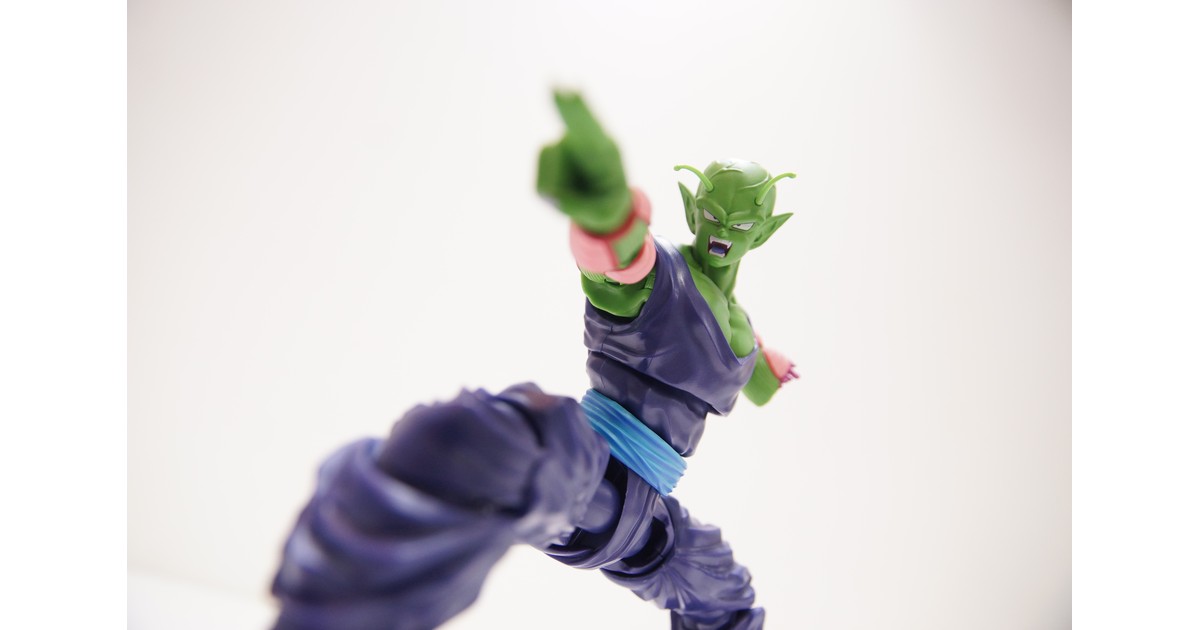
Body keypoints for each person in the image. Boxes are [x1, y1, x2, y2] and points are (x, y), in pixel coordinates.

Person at [271, 92, 798, 630]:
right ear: (690, 208)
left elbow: (755, 377)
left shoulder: (742, 332)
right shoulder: (662, 275)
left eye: (740, 224)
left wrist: (774, 365)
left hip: (641, 514)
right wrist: (607, 219)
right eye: (712, 215)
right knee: (459, 443)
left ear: (766, 231)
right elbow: (620, 267)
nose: (721, 232)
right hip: (582, 463)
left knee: (727, 599)